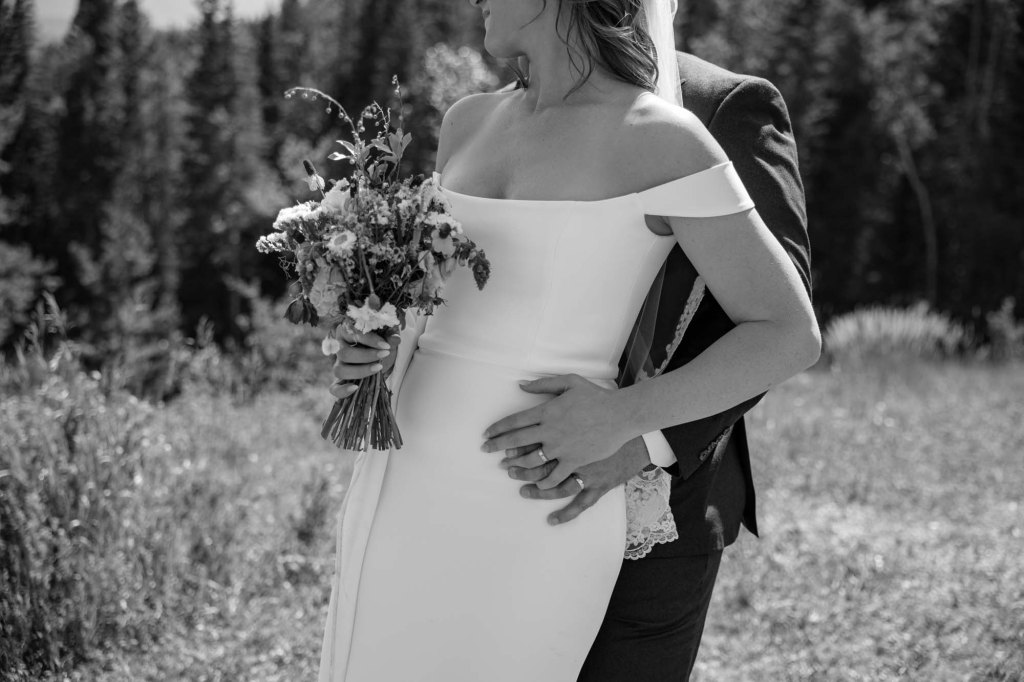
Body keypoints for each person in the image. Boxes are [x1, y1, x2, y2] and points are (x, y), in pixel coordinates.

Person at [318, 1, 818, 680]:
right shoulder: (466, 120)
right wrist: (376, 348)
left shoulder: (665, 138)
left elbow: (789, 332)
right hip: (406, 478)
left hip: (537, 496)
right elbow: (445, 301)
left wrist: (624, 420)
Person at [486, 25, 812, 682]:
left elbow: (779, 317)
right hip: (510, 488)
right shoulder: (501, 118)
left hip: (664, 500)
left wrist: (637, 435)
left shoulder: (723, 106)